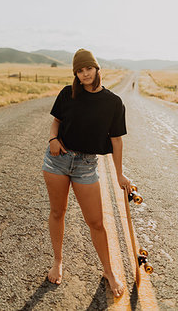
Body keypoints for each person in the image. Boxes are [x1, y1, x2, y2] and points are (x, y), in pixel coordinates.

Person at [42, 48, 131, 298]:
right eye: (79, 71)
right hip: (58, 160)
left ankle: (109, 271)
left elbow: (116, 141)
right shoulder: (67, 94)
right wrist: (52, 139)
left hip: (86, 165)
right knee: (58, 212)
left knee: (96, 222)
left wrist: (119, 174)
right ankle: (58, 261)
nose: (84, 74)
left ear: (96, 68)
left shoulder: (113, 102)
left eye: (88, 68)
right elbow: (56, 121)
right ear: (75, 73)